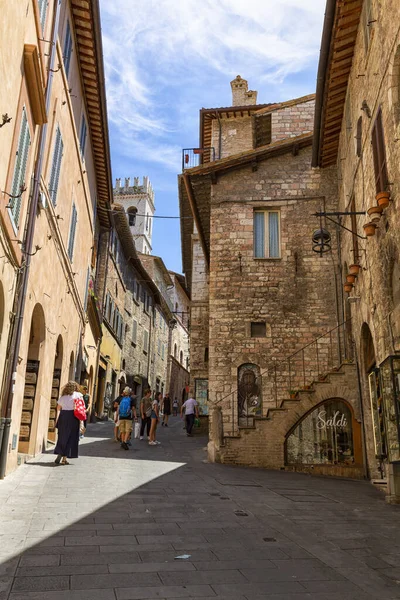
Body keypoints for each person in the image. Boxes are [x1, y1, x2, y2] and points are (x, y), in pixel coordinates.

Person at [54, 381, 81, 465]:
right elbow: (81, 407)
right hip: (73, 417)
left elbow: (58, 409)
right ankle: (64, 458)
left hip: (63, 416)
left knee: (62, 436)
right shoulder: (78, 395)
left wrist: (57, 420)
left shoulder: (62, 397)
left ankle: (60, 452)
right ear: (75, 388)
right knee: (71, 437)